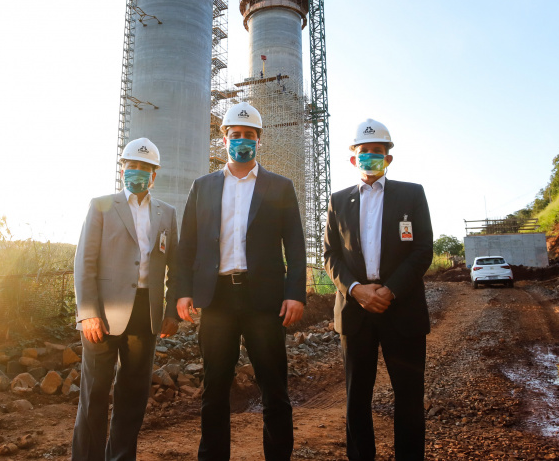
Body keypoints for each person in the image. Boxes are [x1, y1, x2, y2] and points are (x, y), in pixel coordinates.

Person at [176, 101, 306, 461]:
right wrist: (182, 291)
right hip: (217, 299)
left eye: (249, 135)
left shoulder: (279, 187)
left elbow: (296, 246)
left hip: (264, 300)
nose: (242, 140)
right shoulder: (202, 187)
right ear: (224, 139)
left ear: (259, 140)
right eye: (236, 134)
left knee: (274, 390)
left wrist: (295, 293)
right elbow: (187, 245)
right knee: (215, 390)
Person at [323, 119, 434, 461]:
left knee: (409, 396)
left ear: (388, 158)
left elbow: (422, 250)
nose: (370, 156)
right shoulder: (338, 201)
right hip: (355, 311)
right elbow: (330, 255)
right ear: (353, 159)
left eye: (377, 151)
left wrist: (391, 290)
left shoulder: (411, 194)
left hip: (402, 308)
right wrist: (356, 290)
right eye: (364, 151)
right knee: (357, 397)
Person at [71, 137, 180, 461]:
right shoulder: (102, 206)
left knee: (133, 396)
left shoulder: (167, 213)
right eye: (132, 166)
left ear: (154, 175)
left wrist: (171, 311)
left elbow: (176, 267)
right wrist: (88, 313)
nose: (137, 172)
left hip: (146, 314)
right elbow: (85, 262)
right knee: (94, 395)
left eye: (145, 168)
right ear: (122, 170)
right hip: (102, 314)